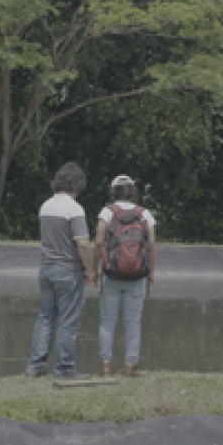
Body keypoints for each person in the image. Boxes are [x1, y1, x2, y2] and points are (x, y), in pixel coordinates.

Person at [25, 162, 96, 378]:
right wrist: (91, 270)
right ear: (78, 184)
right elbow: (82, 244)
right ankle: (64, 368)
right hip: (67, 270)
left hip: (46, 268)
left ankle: (35, 366)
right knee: (68, 320)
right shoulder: (74, 209)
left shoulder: (45, 206)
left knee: (45, 318)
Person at [94, 174, 156, 378]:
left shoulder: (107, 212)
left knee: (107, 321)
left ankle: (105, 366)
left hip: (111, 275)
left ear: (113, 192)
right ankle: (131, 366)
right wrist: (151, 273)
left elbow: (99, 243)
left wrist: (95, 269)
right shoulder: (144, 214)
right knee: (133, 321)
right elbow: (151, 247)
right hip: (137, 276)